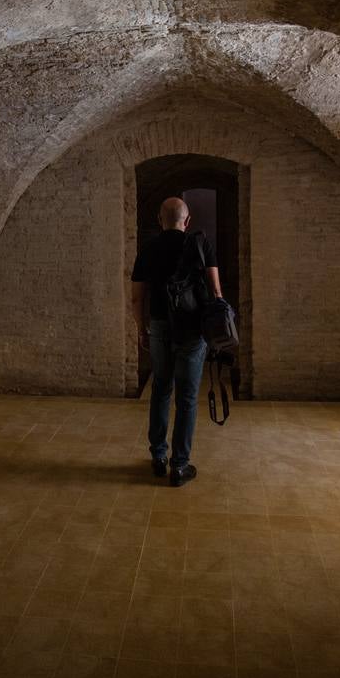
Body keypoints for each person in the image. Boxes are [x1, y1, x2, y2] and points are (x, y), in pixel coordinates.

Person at [130, 197, 223, 487]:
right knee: (187, 397)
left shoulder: (149, 248)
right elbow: (215, 289)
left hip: (159, 326)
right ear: (188, 220)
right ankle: (179, 466)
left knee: (161, 389)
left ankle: (158, 457)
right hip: (193, 330)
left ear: (160, 220)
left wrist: (140, 329)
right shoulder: (200, 244)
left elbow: (137, 296)